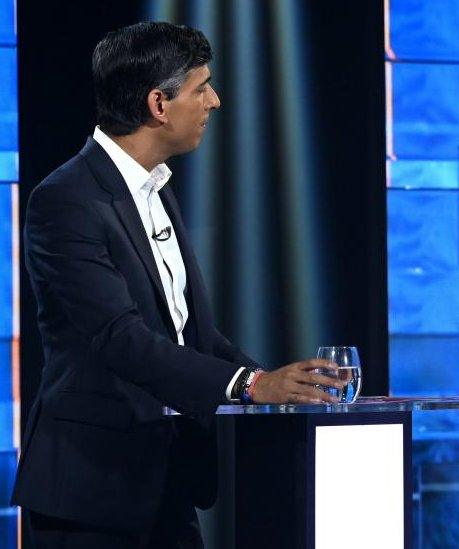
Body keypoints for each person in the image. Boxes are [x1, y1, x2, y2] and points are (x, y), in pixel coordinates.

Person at [12, 22, 347, 547]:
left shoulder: (157, 188)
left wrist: (276, 384)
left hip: (167, 480)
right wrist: (252, 386)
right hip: (90, 492)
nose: (214, 101)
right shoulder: (67, 199)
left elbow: (191, 335)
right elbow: (118, 338)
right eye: (201, 88)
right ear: (158, 104)